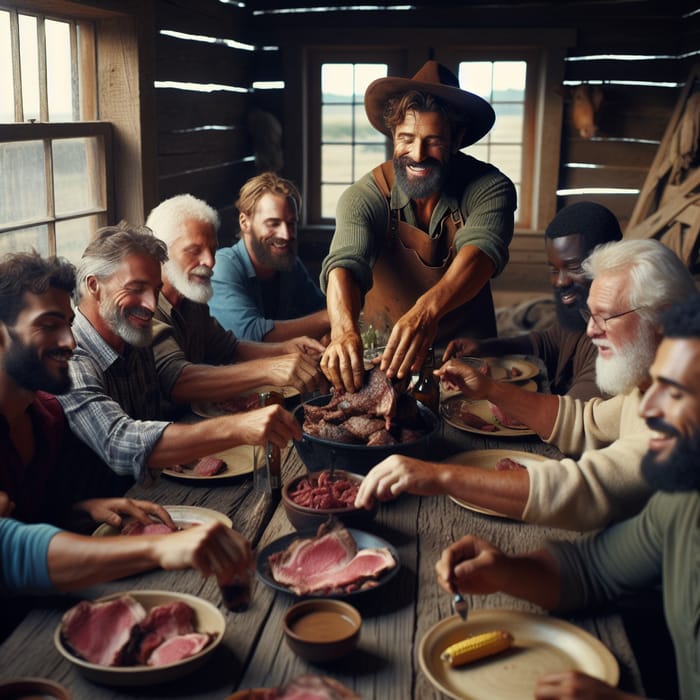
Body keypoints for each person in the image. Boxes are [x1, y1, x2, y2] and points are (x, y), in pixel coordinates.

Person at [435, 293, 700, 700]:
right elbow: (592, 570)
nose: (649, 410)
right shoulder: (682, 502)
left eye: (675, 393)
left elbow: (585, 487)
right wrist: (505, 570)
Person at [356, 239, 697, 530]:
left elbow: (586, 491)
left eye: (605, 317)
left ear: (663, 318)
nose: (591, 330)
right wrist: (489, 390)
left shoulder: (685, 409)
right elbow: (584, 422)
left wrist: (439, 476)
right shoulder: (652, 385)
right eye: (590, 316)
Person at [319, 60, 517, 392]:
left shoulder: (490, 188)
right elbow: (344, 264)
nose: (417, 154)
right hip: (384, 359)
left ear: (457, 139)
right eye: (406, 139)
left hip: (467, 358)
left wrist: (424, 313)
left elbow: (482, 252)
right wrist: (343, 332)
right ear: (393, 135)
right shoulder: (364, 196)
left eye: (434, 141)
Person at [57, 223, 301, 483]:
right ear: (94, 285)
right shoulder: (70, 360)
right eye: (136, 288)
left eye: (155, 290)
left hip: (154, 490)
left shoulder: (135, 337)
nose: (151, 305)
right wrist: (238, 427)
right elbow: (119, 440)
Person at [0, 251, 174, 530]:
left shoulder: (50, 416)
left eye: (69, 324)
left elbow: (41, 519)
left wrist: (86, 510)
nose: (70, 341)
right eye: (48, 325)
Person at [144, 193, 326, 417]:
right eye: (194, 251)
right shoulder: (145, 307)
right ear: (159, 253)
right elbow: (179, 380)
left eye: (212, 249)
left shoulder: (191, 298)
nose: (210, 262)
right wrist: (269, 368)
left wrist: (285, 349)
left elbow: (228, 348)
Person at [0, 491, 252, 643]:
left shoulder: (44, 416)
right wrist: (158, 547)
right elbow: (11, 548)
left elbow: (25, 520)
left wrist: (82, 511)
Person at [444, 201, 623, 400]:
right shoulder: (580, 315)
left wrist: (489, 390)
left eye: (574, 268)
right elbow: (548, 342)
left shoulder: (617, 338)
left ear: (610, 262)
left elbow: (571, 417)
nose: (561, 282)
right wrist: (485, 346)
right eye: (554, 269)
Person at [208, 174, 330, 342]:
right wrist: (330, 318)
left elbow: (319, 308)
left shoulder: (290, 264)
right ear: (244, 222)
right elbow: (252, 335)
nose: (285, 235)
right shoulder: (221, 267)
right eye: (273, 224)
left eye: (291, 223)